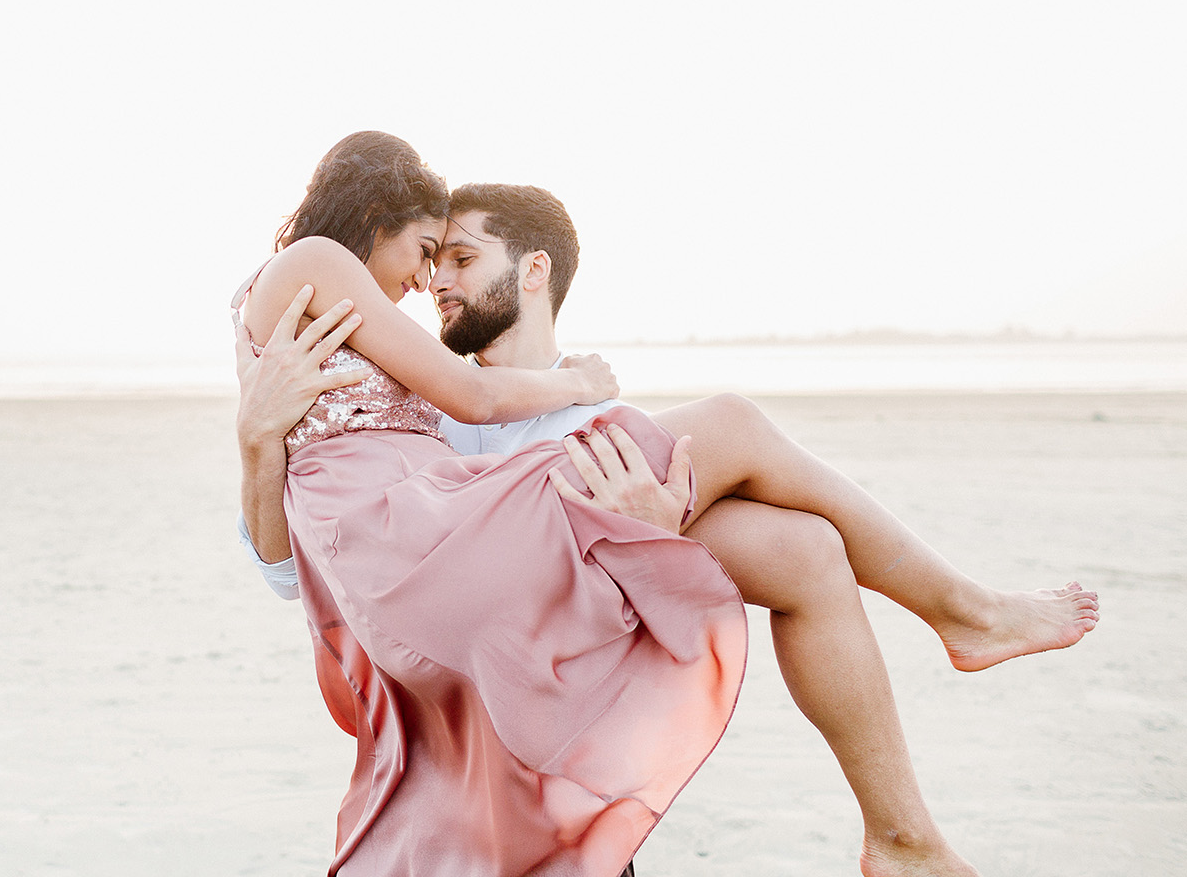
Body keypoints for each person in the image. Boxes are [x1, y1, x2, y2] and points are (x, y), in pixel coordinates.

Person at [235, 151, 1099, 876]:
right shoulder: (417, 390)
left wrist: (650, 526)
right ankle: (968, 612)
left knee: (803, 550)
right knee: (732, 421)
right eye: (430, 254)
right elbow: (289, 569)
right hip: (458, 622)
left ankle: (902, 836)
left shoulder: (568, 423)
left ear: (533, 270)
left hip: (542, 670)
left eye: (458, 259)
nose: (431, 284)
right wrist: (254, 439)